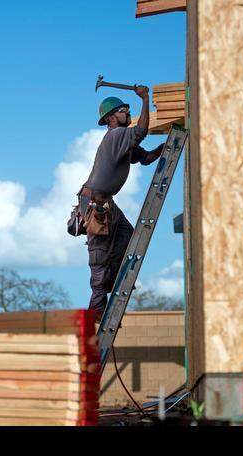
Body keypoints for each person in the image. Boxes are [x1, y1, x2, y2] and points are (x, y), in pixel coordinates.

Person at [79, 85, 166, 314]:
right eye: (123, 110)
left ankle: (115, 283)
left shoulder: (125, 143)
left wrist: (166, 146)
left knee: (126, 234)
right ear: (110, 118)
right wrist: (145, 99)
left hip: (107, 203)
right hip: (95, 204)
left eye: (128, 109)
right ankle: (96, 311)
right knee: (99, 258)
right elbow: (141, 130)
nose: (127, 113)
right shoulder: (116, 136)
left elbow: (145, 157)